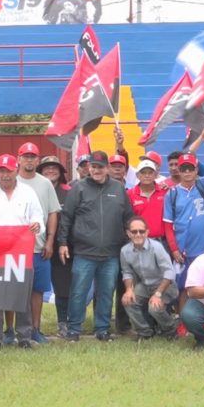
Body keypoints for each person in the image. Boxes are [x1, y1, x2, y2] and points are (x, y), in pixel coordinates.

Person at [58, 150, 134, 342]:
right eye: (93, 167)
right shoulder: (79, 188)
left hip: (111, 253)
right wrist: (63, 242)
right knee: (78, 292)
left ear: (107, 168)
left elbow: (128, 218)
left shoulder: (118, 189)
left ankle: (102, 329)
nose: (96, 170)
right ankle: (74, 329)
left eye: (100, 167)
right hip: (84, 252)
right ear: (88, 168)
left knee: (106, 293)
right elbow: (66, 217)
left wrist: (130, 241)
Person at [0, 153, 44, 350]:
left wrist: (37, 225)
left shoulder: (28, 192)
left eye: (9, 171)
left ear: (16, 170)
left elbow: (37, 216)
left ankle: (24, 336)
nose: (5, 175)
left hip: (20, 252)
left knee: (20, 294)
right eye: (1, 171)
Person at [163, 130, 204, 336]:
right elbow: (168, 225)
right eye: (184, 169)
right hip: (182, 249)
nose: (187, 172)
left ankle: (201, 320)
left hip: (203, 247)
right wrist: (174, 249)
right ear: (178, 171)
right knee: (182, 288)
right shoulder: (171, 194)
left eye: (191, 168)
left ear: (196, 169)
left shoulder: (202, 186)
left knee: (201, 286)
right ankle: (183, 321)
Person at [16, 142, 60, 344]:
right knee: (16, 290)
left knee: (38, 290)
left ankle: (35, 328)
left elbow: (52, 212)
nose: (29, 160)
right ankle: (15, 329)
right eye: (25, 156)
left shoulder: (45, 183)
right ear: (19, 158)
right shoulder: (10, 180)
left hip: (39, 246)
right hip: (14, 248)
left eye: (32, 156)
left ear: (37, 159)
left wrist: (50, 240)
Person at [120, 216, 178, 341]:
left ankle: (170, 330)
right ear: (128, 233)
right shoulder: (125, 251)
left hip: (165, 285)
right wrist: (129, 289)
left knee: (154, 308)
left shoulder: (156, 247)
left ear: (147, 232)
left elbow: (169, 272)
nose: (138, 234)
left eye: (141, 231)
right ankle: (145, 332)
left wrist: (158, 294)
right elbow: (127, 272)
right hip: (145, 285)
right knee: (128, 301)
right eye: (134, 232)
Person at [36, 155, 71, 337]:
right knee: (34, 287)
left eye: (54, 167)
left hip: (62, 246)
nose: (51, 170)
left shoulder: (69, 191)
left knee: (62, 286)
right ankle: (33, 325)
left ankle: (63, 322)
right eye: (46, 167)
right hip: (37, 245)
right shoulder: (32, 189)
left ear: (61, 171)